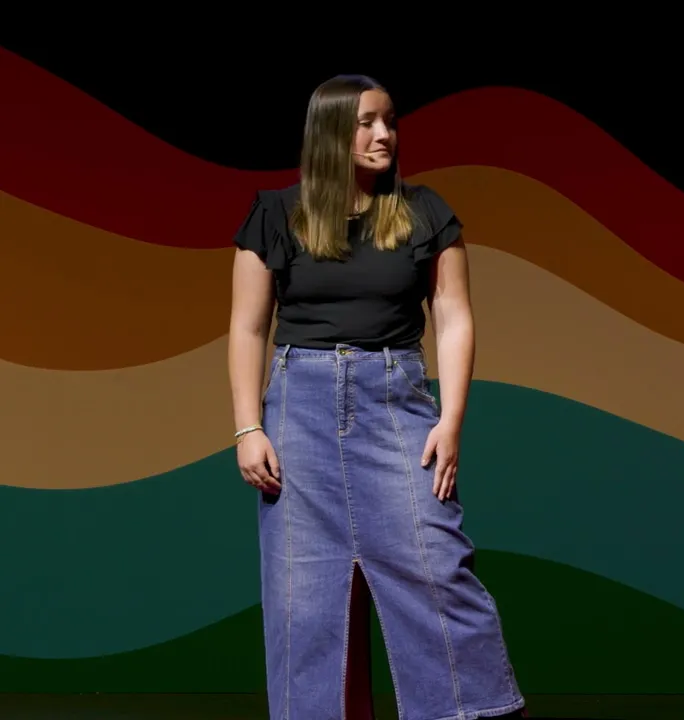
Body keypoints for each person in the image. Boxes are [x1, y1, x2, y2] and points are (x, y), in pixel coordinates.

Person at [227, 74, 526, 720]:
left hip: (395, 404)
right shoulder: (275, 215)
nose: (384, 134)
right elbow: (248, 328)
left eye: (389, 120)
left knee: (436, 569)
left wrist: (451, 420)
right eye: (366, 122)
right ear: (330, 132)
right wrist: (248, 427)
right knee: (304, 596)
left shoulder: (425, 212)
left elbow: (454, 317)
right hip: (299, 412)